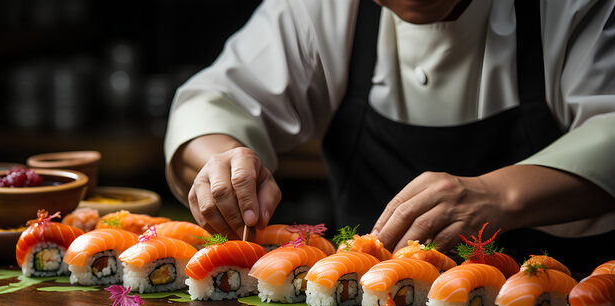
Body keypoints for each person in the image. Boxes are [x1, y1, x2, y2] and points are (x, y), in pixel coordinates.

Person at [164, 0, 615, 271]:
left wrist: (502, 195)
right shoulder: (321, 9)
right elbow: (216, 100)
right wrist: (224, 162)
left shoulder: (572, 7)